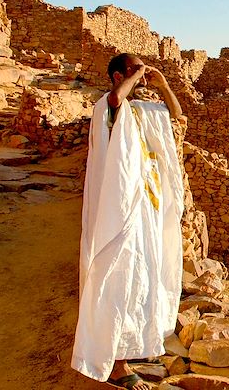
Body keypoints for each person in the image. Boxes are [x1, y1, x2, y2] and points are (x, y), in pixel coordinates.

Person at [72, 53, 187, 389]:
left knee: (144, 280)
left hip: (146, 209)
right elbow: (115, 100)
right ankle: (115, 363)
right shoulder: (107, 108)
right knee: (116, 280)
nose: (142, 75)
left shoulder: (145, 111)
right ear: (118, 75)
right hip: (119, 210)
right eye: (134, 70)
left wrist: (163, 86)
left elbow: (177, 115)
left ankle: (134, 346)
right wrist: (135, 77)